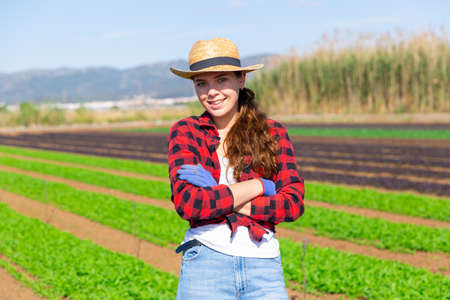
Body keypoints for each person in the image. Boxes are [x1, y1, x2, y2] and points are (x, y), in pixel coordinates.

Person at [168, 37, 305, 299]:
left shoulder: (272, 133)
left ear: (241, 79)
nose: (212, 92)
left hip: (263, 264)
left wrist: (218, 191)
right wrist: (259, 186)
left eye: (222, 80)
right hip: (205, 262)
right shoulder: (187, 132)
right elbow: (190, 204)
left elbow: (293, 204)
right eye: (202, 83)